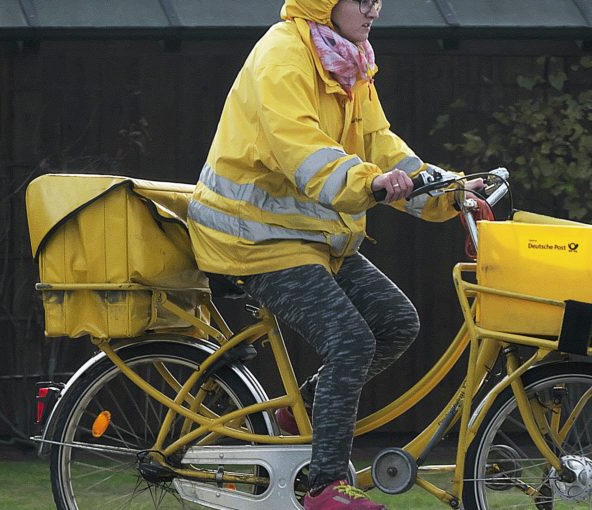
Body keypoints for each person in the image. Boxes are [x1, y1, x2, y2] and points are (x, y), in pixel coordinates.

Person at [187, 0, 482, 508]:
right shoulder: (282, 57)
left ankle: (299, 409)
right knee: (351, 339)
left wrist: (446, 190)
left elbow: (380, 143)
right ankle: (325, 488)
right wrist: (368, 182)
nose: (375, 10)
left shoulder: (349, 60)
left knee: (397, 322)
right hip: (254, 238)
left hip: (310, 238)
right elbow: (300, 147)